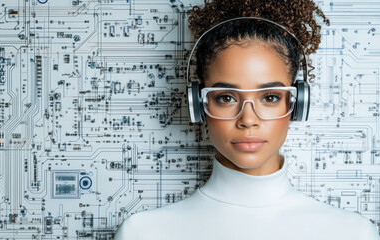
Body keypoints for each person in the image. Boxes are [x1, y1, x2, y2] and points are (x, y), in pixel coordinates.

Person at [114, 0, 380, 239]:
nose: (248, 120)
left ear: (297, 103)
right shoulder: (143, 233)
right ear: (199, 104)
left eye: (271, 97)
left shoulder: (353, 233)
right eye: (227, 98)